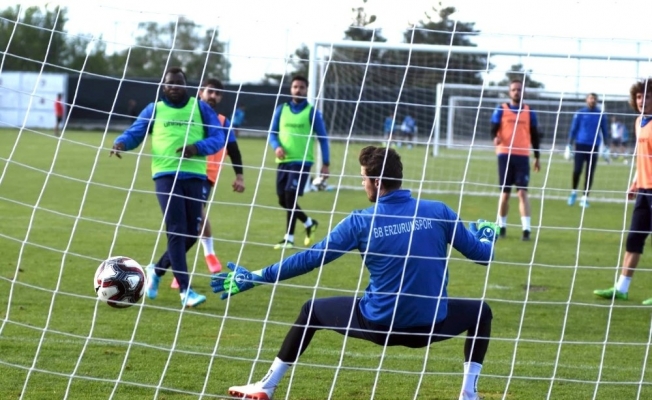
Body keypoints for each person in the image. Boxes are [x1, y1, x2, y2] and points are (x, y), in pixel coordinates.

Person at [211, 146, 497, 400]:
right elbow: (483, 256)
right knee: (481, 313)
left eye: (363, 178)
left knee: (311, 311)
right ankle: (468, 394)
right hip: (430, 325)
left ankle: (267, 385)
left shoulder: (360, 221)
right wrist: (486, 236)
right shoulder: (439, 212)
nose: (363, 184)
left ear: (377, 181)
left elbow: (311, 258)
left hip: (378, 324)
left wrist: (257, 276)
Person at [110, 66, 226, 307]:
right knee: (176, 229)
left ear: (186, 85)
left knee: (192, 232)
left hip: (195, 176)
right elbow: (135, 132)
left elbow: (218, 138)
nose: (174, 86)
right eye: (169, 83)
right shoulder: (154, 109)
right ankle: (186, 291)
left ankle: (157, 269)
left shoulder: (200, 108)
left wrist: (196, 148)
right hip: (165, 175)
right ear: (163, 86)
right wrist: (121, 143)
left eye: (178, 82)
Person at [168, 77, 246, 289]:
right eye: (210, 91)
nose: (213, 96)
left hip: (205, 176)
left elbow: (234, 150)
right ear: (200, 92)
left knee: (192, 220)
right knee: (185, 224)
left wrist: (239, 176)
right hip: (178, 171)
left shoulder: (222, 121)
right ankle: (194, 261)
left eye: (217, 93)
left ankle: (194, 262)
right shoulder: (187, 113)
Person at [594, 78, 652, 305]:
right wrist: (635, 182)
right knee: (634, 239)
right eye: (639, 96)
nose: (642, 100)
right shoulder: (639, 122)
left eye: (647, 96)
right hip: (644, 190)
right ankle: (621, 289)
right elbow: (642, 158)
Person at [268, 75, 329, 250]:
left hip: (302, 161)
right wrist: (276, 147)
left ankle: (289, 238)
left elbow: (323, 138)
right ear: (291, 89)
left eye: (302, 87)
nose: (298, 90)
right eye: (295, 87)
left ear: (306, 90)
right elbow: (272, 133)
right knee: (282, 199)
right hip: (283, 161)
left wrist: (326, 163)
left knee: (290, 195)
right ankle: (309, 223)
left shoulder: (312, 112)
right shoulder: (281, 109)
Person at [490, 79, 541, 241]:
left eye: (519, 89)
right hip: (505, 154)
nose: (516, 92)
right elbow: (493, 129)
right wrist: (495, 138)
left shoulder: (529, 112)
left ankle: (526, 230)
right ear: (509, 92)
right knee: (505, 194)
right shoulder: (501, 109)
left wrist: (537, 157)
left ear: (523, 92)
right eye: (513, 89)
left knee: (522, 192)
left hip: (522, 156)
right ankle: (501, 226)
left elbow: (535, 136)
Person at [565, 93, 609, 208]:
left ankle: (585, 197)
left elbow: (604, 131)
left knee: (590, 172)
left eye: (594, 99)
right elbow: (573, 129)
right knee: (577, 170)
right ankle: (573, 192)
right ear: (586, 100)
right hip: (580, 145)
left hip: (594, 146)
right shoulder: (580, 113)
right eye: (590, 98)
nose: (592, 100)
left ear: (597, 101)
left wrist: (606, 147)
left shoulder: (600, 114)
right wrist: (569, 144)